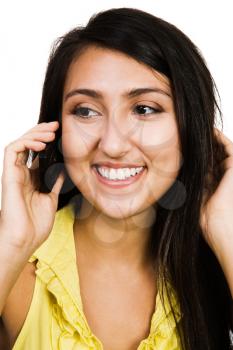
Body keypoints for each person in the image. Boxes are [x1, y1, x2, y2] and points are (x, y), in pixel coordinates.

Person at [0, 6, 232, 350]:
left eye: (144, 109)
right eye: (86, 111)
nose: (112, 144)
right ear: (56, 129)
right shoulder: (16, 263)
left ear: (190, 128)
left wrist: (226, 232)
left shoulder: (215, 267)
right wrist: (12, 244)